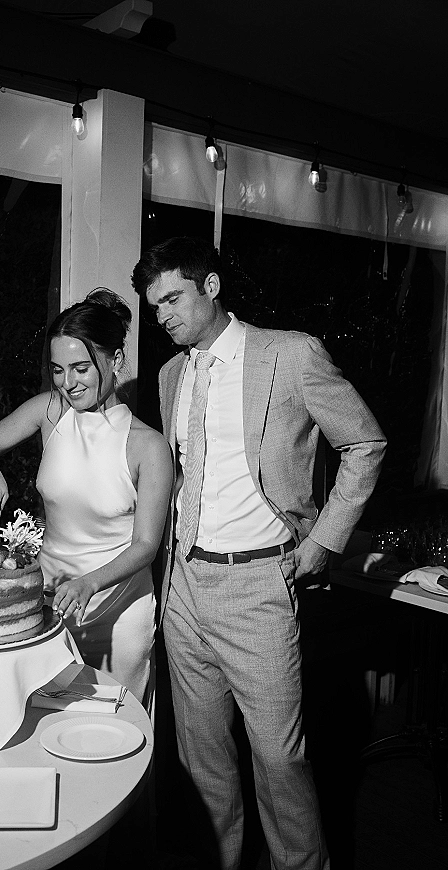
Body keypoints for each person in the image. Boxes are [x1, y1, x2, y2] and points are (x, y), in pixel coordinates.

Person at [132, 236, 387, 870]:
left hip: (259, 586)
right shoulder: (170, 375)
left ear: (211, 285)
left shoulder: (292, 354)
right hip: (184, 586)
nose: (160, 315)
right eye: (153, 304)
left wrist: (323, 542)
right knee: (202, 762)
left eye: (171, 298)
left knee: (281, 760)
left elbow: (365, 444)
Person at [0, 288, 173, 705]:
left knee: (112, 730)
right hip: (48, 606)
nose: (67, 383)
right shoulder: (51, 412)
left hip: (117, 613)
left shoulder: (147, 446)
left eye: (80, 368)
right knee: (43, 723)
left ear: (115, 361)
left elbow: (147, 546)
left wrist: (88, 584)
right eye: (58, 370)